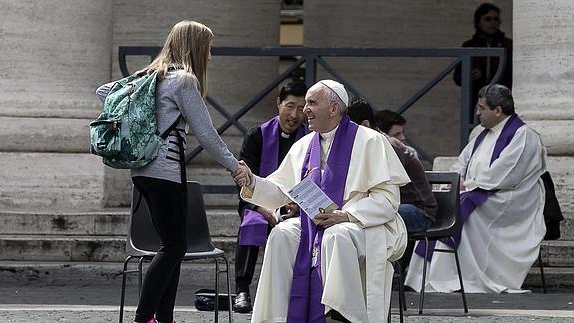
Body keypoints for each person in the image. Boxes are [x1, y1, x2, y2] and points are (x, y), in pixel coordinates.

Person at [96, 20, 249, 323]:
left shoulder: (147, 76)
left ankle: (164, 318)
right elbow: (206, 134)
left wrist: (139, 118)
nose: (210, 56)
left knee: (173, 246)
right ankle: (143, 318)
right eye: (208, 48)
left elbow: (104, 92)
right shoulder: (184, 81)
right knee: (174, 246)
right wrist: (236, 167)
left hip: (142, 170)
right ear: (194, 47)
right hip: (165, 169)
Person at [235, 80, 410, 322]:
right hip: (315, 223)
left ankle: (339, 315)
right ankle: (278, 316)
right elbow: (281, 189)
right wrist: (252, 182)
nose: (304, 109)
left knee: (336, 235)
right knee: (283, 234)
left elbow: (388, 199)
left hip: (365, 224)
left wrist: (346, 215)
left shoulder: (370, 141)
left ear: (334, 108)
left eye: (311, 103)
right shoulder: (305, 145)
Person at [405, 84, 547, 294]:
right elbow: (463, 161)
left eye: (482, 108)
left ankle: (455, 277)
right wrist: (457, 180)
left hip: (510, 199)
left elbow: (507, 173)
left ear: (498, 110)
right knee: (445, 202)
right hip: (480, 191)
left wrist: (467, 185)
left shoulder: (523, 135)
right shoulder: (481, 133)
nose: (478, 113)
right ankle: (424, 277)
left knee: (461, 205)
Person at [233, 80, 308, 313]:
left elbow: (312, 178)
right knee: (252, 222)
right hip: (258, 205)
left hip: (295, 206)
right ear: (278, 104)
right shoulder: (257, 136)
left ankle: (295, 291)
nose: (294, 115)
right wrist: (263, 208)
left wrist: (297, 205)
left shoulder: (309, 139)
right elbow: (245, 180)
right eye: (290, 106)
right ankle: (242, 289)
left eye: (301, 108)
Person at [348, 98, 437, 271]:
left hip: (419, 211)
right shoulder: (365, 144)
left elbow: (384, 188)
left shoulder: (388, 145)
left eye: (348, 127)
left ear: (365, 125)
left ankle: (382, 273)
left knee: (369, 218)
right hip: (394, 205)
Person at [453, 2, 513, 123]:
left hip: (501, 101)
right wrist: (470, 75)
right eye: (488, 19)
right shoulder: (469, 46)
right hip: (476, 101)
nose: (492, 22)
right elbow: (457, 78)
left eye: (496, 19)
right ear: (478, 21)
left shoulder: (508, 45)